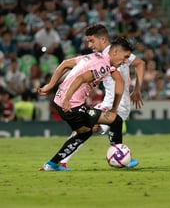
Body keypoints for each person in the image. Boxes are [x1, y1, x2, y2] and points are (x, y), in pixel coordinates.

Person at [38, 37, 135, 171]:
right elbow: (81, 78)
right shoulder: (103, 66)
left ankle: (51, 164)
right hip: (72, 105)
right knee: (115, 120)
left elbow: (65, 63)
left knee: (85, 132)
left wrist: (50, 86)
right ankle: (119, 153)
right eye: (125, 57)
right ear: (115, 52)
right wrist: (67, 98)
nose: (125, 62)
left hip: (61, 102)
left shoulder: (93, 57)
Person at [59, 24, 145, 168]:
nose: (90, 45)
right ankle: (62, 160)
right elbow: (77, 70)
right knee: (87, 128)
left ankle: (120, 157)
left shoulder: (118, 52)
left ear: (103, 40)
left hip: (123, 105)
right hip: (111, 104)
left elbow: (140, 64)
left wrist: (137, 89)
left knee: (107, 129)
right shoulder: (101, 57)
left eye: (92, 41)